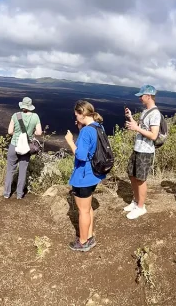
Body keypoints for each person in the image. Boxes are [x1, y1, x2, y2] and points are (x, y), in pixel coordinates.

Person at [64, 100, 107, 252]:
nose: (75, 118)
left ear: (82, 113)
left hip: (83, 175)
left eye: (77, 115)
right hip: (94, 174)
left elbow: (81, 155)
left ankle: (82, 242)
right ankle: (89, 236)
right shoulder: (98, 126)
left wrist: (70, 142)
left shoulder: (86, 131)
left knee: (82, 211)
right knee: (88, 208)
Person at [123, 85, 161, 220]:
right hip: (137, 148)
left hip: (146, 151)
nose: (140, 98)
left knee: (140, 179)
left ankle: (141, 207)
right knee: (132, 175)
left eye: (141, 96)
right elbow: (140, 127)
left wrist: (136, 129)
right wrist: (131, 119)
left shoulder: (155, 114)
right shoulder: (146, 112)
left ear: (148, 96)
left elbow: (153, 135)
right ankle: (135, 202)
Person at [3, 97, 43, 199]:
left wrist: (17, 134)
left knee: (10, 170)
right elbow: (39, 132)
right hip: (26, 147)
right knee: (22, 171)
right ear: (30, 106)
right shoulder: (35, 117)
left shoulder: (15, 115)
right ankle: (19, 194)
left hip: (14, 145)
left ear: (22, 106)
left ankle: (7, 194)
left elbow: (10, 132)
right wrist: (31, 133)